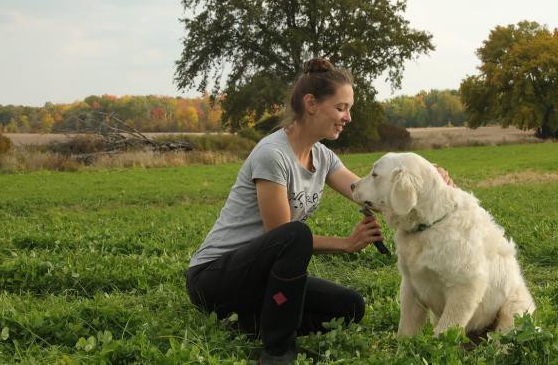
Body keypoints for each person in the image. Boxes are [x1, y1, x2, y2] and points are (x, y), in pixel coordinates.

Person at [185, 58, 453, 364]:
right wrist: (347, 244)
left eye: (348, 109)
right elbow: (280, 235)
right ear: (311, 103)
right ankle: (277, 352)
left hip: (262, 281)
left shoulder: (322, 156)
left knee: (350, 307)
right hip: (214, 277)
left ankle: (251, 322)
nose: (348, 117)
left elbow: (367, 193)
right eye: (341, 108)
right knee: (294, 234)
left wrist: (428, 181)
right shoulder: (273, 155)